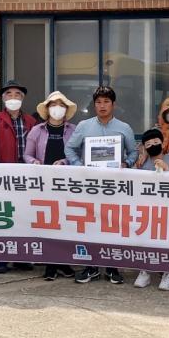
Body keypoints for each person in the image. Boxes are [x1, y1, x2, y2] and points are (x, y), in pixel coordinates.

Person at [65, 86, 138, 285]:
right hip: (89, 184)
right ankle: (92, 267)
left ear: (114, 104)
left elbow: (133, 152)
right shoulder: (84, 126)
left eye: (106, 102)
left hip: (113, 186)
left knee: (112, 224)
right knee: (90, 223)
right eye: (98, 102)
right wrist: (80, 166)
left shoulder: (124, 128)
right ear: (94, 105)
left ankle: (112, 268)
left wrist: (126, 163)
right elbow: (70, 148)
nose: (102, 105)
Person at [24, 91, 78, 281]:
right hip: (43, 183)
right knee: (48, 222)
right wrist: (34, 162)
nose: (57, 108)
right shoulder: (36, 130)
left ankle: (62, 262)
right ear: (47, 109)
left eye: (61, 105)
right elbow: (27, 154)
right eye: (53, 105)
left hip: (66, 183)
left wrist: (64, 161)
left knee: (65, 222)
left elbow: (78, 153)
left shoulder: (73, 130)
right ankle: (50, 264)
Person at [0, 80, 37, 274]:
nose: (13, 97)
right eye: (9, 94)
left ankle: (21, 258)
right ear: (3, 98)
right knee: (3, 217)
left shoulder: (31, 121)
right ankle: (1, 259)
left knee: (24, 216)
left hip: (26, 177)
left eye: (17, 94)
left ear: (22, 98)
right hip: (3, 178)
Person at [133, 128, 169, 291]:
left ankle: (168, 274)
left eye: (155, 142)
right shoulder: (142, 163)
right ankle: (144, 271)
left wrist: (167, 170)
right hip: (146, 208)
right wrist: (139, 160)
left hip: (167, 209)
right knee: (145, 241)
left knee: (167, 242)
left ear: (162, 143)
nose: (152, 145)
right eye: (148, 144)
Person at [135, 97, 169, 168]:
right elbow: (142, 146)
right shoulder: (156, 130)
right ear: (164, 114)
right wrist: (144, 152)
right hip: (156, 166)